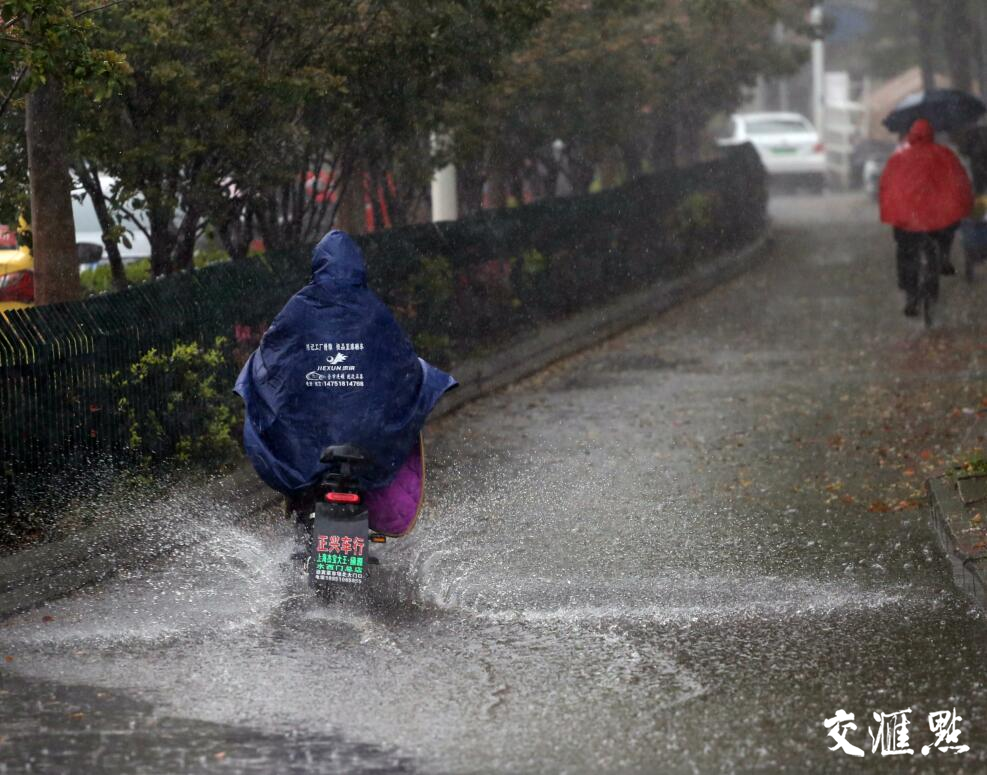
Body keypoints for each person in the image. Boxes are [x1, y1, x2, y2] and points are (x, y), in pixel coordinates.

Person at [234, 229, 457, 537]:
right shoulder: (375, 312)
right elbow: (402, 364)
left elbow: (272, 358)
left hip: (310, 441)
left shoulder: (298, 309)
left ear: (317, 265)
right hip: (368, 441)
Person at [879, 118, 974, 316]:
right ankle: (943, 258)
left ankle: (910, 292)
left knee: (906, 253)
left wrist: (895, 211)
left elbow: (887, 188)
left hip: (908, 219)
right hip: (936, 220)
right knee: (942, 236)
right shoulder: (944, 155)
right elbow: (959, 183)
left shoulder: (899, 157)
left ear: (910, 136)